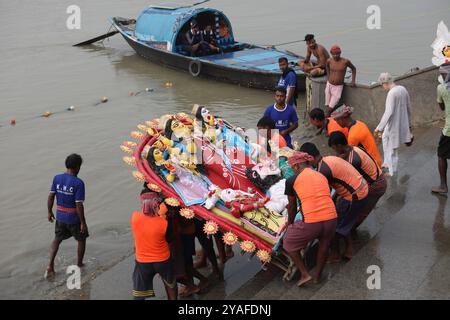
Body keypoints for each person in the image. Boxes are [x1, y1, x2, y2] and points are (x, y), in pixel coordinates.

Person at [300, 142, 368, 261]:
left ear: (310, 158)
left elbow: (322, 195)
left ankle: (338, 253)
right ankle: (349, 241)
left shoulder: (323, 171)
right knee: (339, 214)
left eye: (303, 162)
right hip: (361, 187)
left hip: (356, 195)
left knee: (332, 225)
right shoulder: (328, 159)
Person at [283, 151, 337, 287]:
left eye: (291, 167)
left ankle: (304, 273)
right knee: (324, 246)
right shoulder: (321, 175)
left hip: (312, 221)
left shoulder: (291, 180)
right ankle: (317, 276)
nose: (292, 170)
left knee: (288, 243)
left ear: (296, 166)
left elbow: (292, 207)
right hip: (331, 217)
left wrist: (290, 225)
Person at [328, 132, 387, 229]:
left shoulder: (353, 160)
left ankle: (348, 232)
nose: (335, 152)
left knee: (357, 212)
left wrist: (333, 198)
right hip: (377, 178)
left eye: (334, 149)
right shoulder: (354, 148)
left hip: (375, 186)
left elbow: (349, 183)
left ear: (339, 146)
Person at [46, 154, 88, 278]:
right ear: (77, 167)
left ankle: (50, 265)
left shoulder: (57, 178)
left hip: (60, 216)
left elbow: (51, 196)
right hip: (73, 217)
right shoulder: (78, 183)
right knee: (81, 239)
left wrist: (49, 211)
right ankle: (79, 264)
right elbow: (78, 204)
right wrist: (82, 222)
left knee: (57, 239)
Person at [131, 189, 177, 300]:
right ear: (156, 203)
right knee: (170, 284)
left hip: (142, 262)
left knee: (139, 293)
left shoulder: (135, 218)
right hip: (163, 260)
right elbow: (170, 239)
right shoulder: (163, 223)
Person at [374, 73, 413, 176]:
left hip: (393, 124)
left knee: (392, 148)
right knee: (385, 139)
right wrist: (409, 124)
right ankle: (387, 163)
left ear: (385, 83)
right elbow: (409, 107)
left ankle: (392, 171)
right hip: (401, 121)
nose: (383, 87)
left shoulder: (391, 93)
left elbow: (389, 112)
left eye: (382, 84)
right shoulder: (402, 89)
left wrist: (379, 128)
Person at [432, 63, 450, 195]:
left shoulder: (441, 88)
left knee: (441, 155)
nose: (441, 76)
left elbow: (442, 107)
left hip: (449, 130)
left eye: (442, 74)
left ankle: (443, 186)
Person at [325, 45, 357, 116]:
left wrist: (353, 81)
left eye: (337, 54)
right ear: (331, 54)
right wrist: (328, 76)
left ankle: (325, 122)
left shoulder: (345, 61)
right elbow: (326, 66)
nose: (336, 55)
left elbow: (353, 68)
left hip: (338, 87)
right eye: (334, 54)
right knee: (327, 106)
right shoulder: (329, 60)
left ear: (340, 53)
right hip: (329, 84)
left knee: (330, 108)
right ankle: (329, 121)